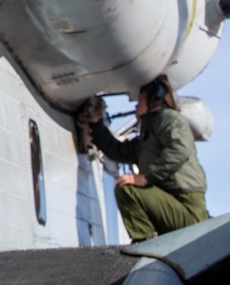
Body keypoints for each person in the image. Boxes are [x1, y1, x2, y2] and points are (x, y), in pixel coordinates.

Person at [83, 76, 209, 242]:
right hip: (171, 204)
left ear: (154, 100)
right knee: (126, 186)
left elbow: (179, 149)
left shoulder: (170, 119)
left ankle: (145, 244)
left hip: (188, 207)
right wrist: (96, 123)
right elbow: (117, 151)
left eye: (140, 99)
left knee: (127, 189)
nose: (136, 105)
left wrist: (145, 178)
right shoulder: (148, 138)